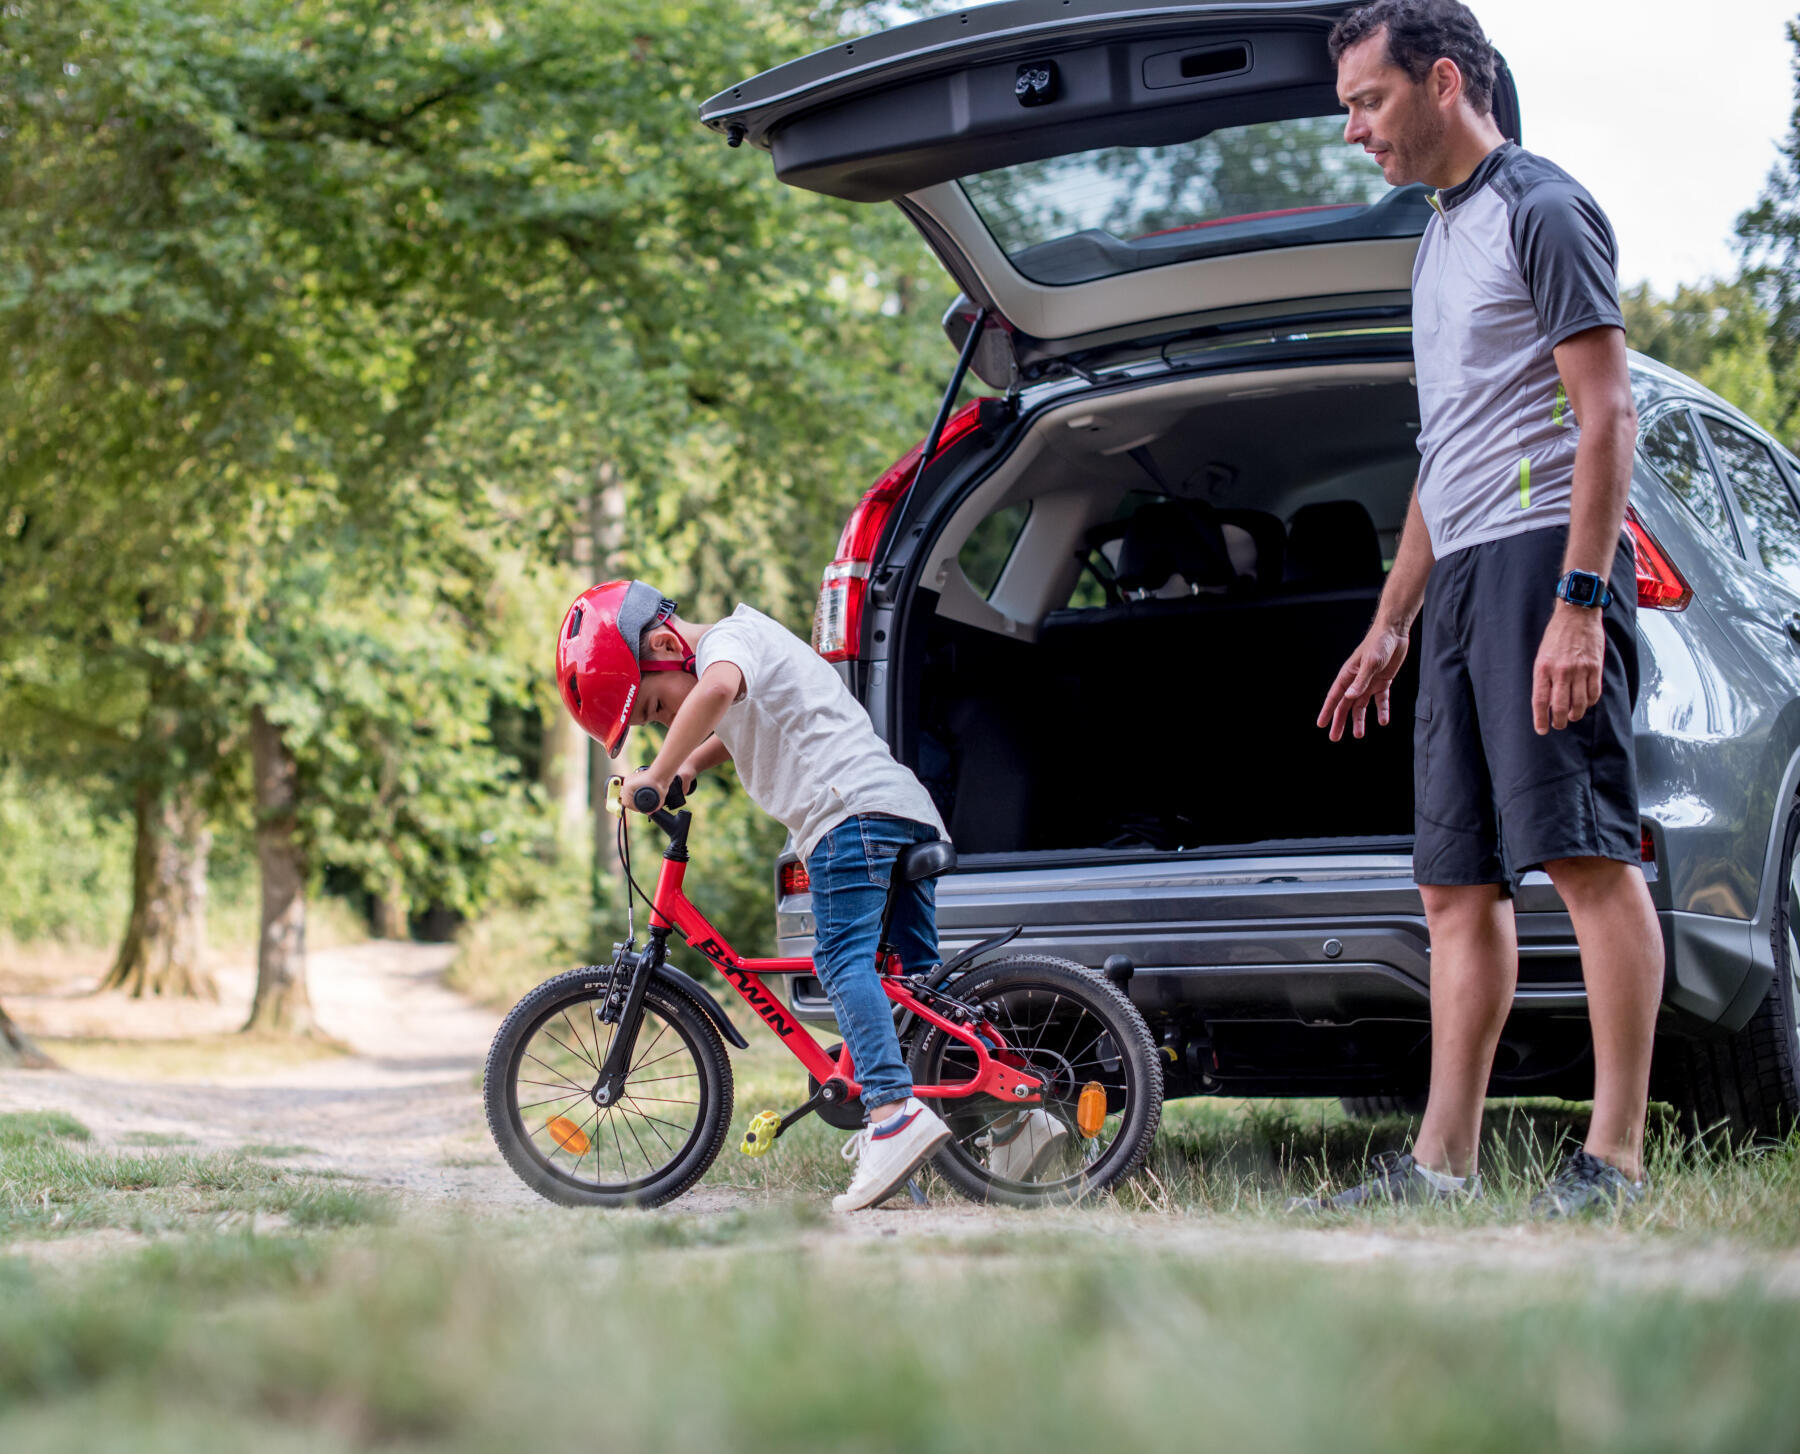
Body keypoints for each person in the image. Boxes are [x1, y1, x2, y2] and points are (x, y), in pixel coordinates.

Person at [1304, 0, 1663, 1215]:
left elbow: (1606, 411)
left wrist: (1576, 600)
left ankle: (1613, 1157)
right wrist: (1393, 618)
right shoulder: (1436, 240)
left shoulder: (1541, 207)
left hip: (1541, 561)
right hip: (1459, 578)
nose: (1354, 130)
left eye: (1368, 100)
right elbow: (1447, 450)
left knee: (1583, 851)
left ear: (1444, 80)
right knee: (1455, 884)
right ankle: (1439, 1163)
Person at [557, 579, 1059, 1209]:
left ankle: (894, 1116)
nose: (664, 723)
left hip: (848, 817)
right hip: (896, 808)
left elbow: (714, 692)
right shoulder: (741, 647)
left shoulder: (726, 644)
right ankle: (1017, 1122)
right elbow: (736, 715)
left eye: (656, 709)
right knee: (919, 985)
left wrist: (655, 774)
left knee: (840, 961)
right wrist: (687, 767)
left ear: (664, 644)